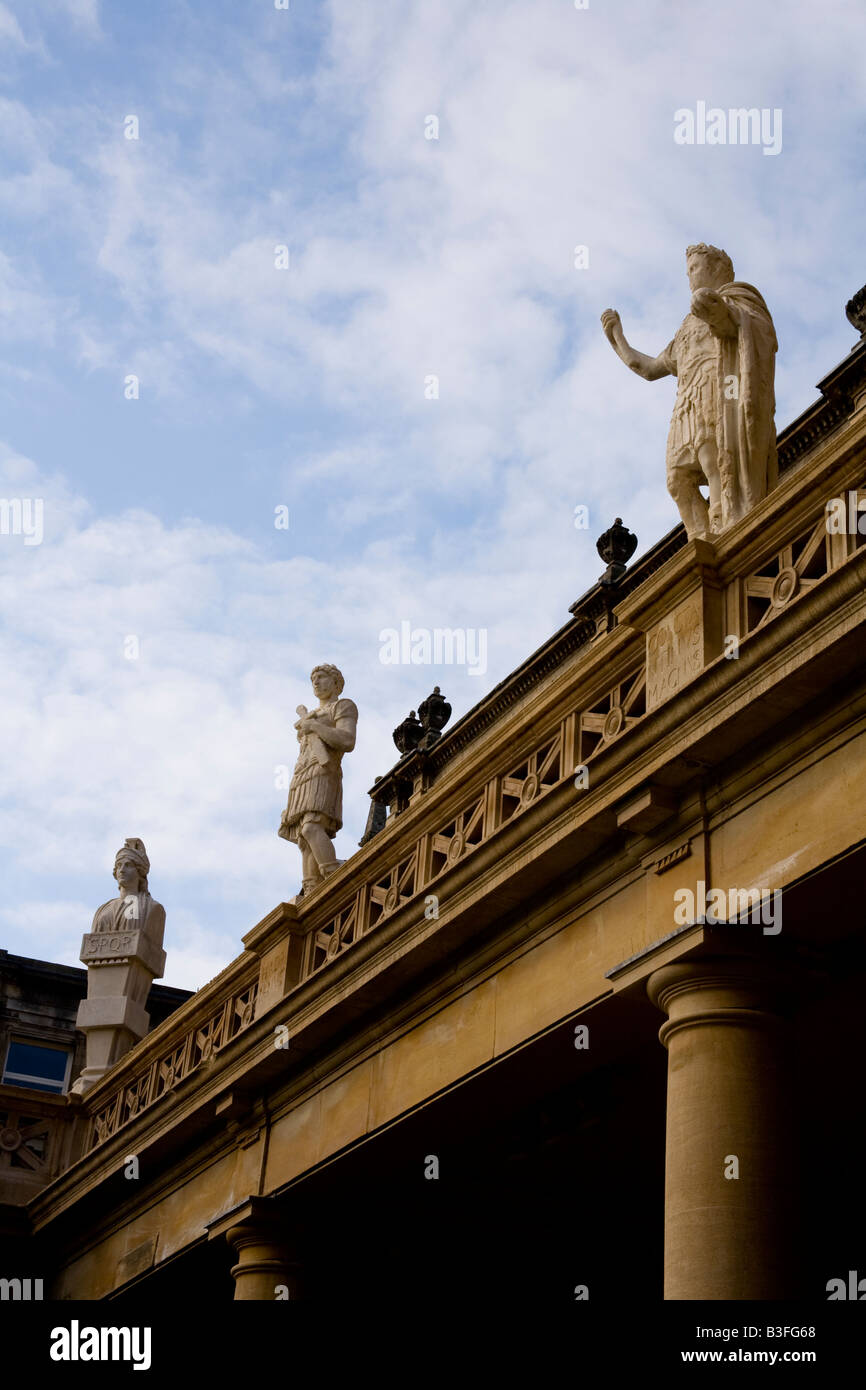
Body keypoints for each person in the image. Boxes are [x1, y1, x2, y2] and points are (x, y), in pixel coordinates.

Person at [601, 243, 777, 539]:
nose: (690, 277)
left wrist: (720, 314)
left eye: (694, 269)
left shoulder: (740, 298)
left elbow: (755, 332)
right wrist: (617, 337)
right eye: (688, 272)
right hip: (687, 401)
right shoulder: (685, 327)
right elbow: (648, 368)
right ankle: (700, 537)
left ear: (717, 269)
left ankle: (724, 518)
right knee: (676, 477)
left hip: (719, 391)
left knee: (713, 457)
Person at [279, 664, 358, 894]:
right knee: (304, 836)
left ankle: (333, 874)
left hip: (324, 771)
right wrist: (310, 723)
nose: (316, 682)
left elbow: (346, 740)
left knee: (313, 826)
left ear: (336, 683)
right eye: (313, 678)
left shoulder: (342, 706)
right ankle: (312, 888)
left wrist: (314, 727)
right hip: (302, 773)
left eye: (322, 677)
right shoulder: (311, 715)